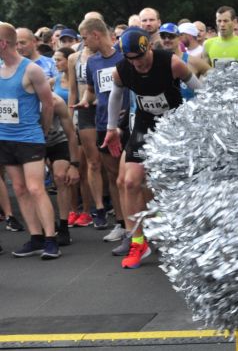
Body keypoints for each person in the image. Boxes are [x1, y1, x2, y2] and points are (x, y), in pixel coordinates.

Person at [104, 27, 200, 269]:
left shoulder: (172, 63)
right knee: (130, 182)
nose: (137, 64)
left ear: (148, 50)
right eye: (131, 59)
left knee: (176, 184)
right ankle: (138, 241)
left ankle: (186, 237)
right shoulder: (122, 70)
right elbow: (115, 97)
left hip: (175, 126)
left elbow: (201, 91)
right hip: (146, 124)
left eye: (140, 58)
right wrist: (111, 128)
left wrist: (203, 123)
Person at [0, 22, 61, 259]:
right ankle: (35, 237)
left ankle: (50, 239)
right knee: (20, 188)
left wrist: (43, 130)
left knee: (36, 188)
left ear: (3, 43)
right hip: (5, 138)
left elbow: (48, 103)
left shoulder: (31, 70)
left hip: (29, 137)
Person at [76, 16, 131, 252]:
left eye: (85, 37)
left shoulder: (124, 57)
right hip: (102, 124)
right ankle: (122, 223)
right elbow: (90, 90)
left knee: (131, 178)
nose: (83, 42)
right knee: (113, 175)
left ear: (96, 35)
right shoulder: (92, 62)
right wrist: (83, 102)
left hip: (128, 124)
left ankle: (140, 225)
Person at [67, 20, 110, 233]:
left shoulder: (108, 56)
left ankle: (111, 202)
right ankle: (99, 208)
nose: (82, 40)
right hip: (84, 112)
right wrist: (70, 118)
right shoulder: (74, 58)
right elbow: (74, 90)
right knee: (92, 163)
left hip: (105, 109)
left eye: (84, 36)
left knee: (107, 162)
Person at [44, 92, 81, 246]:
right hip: (35, 143)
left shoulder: (56, 102)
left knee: (60, 177)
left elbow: (72, 135)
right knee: (35, 184)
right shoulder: (22, 100)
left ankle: (64, 227)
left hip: (60, 141)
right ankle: (49, 226)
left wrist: (74, 165)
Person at [159, 23, 210, 100]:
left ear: (179, 38)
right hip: (167, 110)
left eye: (171, 36)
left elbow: (216, 78)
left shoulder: (192, 61)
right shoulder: (156, 61)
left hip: (190, 109)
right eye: (163, 36)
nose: (167, 40)